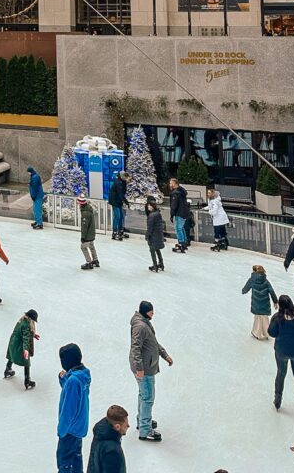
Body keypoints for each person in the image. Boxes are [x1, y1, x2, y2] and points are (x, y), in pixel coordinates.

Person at [129, 300, 172, 442]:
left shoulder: (145, 323)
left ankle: (142, 421)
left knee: (143, 395)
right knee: (147, 397)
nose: (153, 313)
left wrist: (164, 354)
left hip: (146, 366)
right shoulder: (141, 327)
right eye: (151, 311)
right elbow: (136, 347)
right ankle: (145, 430)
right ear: (146, 312)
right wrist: (140, 368)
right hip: (145, 369)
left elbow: (152, 342)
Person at [57, 342, 91, 473]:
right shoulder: (82, 375)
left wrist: (62, 430)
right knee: (76, 459)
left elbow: (68, 410)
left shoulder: (73, 381)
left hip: (69, 429)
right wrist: (63, 378)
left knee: (65, 462)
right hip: (79, 426)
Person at [269, 295, 294, 410]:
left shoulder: (277, 319)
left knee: (281, 373)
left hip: (282, 351)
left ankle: (278, 399)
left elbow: (271, 332)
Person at [86, 405, 129, 473]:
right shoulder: (112, 450)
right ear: (117, 427)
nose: (128, 426)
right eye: (126, 425)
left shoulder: (100, 434)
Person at [4, 309, 39, 390]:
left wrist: (33, 335)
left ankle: (7, 369)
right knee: (27, 362)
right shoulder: (27, 325)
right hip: (20, 345)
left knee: (12, 355)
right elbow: (26, 338)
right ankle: (27, 381)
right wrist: (26, 349)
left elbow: (22, 332)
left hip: (13, 342)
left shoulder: (21, 320)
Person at [242, 264, 278, 340]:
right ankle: (267, 333)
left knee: (258, 318)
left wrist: (243, 291)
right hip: (265, 303)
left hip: (256, 303)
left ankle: (257, 333)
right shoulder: (266, 281)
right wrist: (275, 301)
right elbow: (272, 291)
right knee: (265, 318)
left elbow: (246, 287)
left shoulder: (252, 279)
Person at [168, 177, 191, 253]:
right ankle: (184, 242)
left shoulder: (175, 193)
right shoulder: (181, 191)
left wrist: (172, 214)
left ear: (174, 183)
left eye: (171, 183)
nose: (170, 184)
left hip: (179, 213)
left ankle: (181, 243)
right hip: (184, 212)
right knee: (181, 228)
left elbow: (174, 205)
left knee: (178, 228)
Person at [77, 194, 99, 270]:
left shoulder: (85, 213)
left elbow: (84, 227)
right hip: (92, 232)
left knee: (83, 247)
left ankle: (89, 263)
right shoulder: (88, 208)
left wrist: (83, 237)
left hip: (88, 234)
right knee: (91, 246)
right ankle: (95, 260)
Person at [206, 186, 230, 251]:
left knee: (217, 230)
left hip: (218, 217)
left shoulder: (215, 201)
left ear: (212, 193)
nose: (208, 194)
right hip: (221, 217)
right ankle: (223, 243)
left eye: (209, 193)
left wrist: (210, 212)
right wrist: (206, 208)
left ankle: (217, 244)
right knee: (222, 230)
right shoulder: (214, 200)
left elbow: (214, 210)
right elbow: (210, 206)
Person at [145, 200, 165, 272]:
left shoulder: (151, 215)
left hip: (153, 235)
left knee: (152, 250)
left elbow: (150, 227)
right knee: (157, 249)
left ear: (152, 207)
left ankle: (155, 265)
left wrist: (147, 235)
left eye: (149, 205)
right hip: (158, 234)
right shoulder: (158, 213)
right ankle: (161, 263)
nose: (148, 207)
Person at [108, 172, 127, 241]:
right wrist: (126, 202)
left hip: (118, 201)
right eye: (125, 176)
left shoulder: (122, 182)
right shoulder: (118, 182)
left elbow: (124, 191)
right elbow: (121, 194)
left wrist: (125, 182)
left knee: (121, 216)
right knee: (117, 216)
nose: (126, 177)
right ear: (121, 176)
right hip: (115, 201)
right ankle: (114, 232)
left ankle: (120, 231)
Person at [28, 166, 45, 230]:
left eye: (28, 172)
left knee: (37, 210)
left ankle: (39, 223)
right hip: (37, 196)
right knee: (35, 209)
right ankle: (37, 221)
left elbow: (34, 188)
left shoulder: (35, 177)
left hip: (37, 196)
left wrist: (33, 196)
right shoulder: (34, 176)